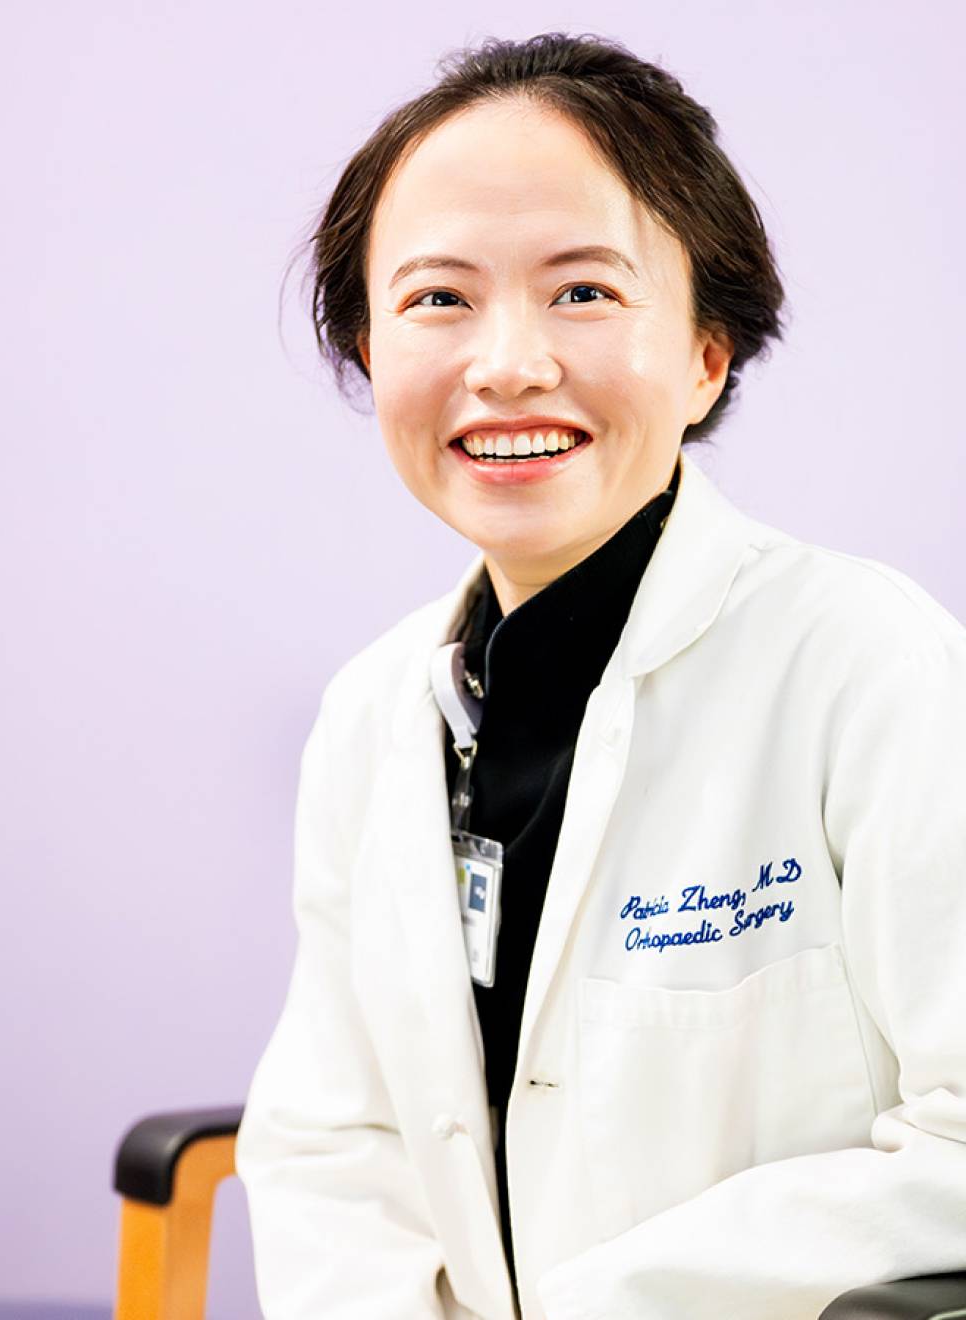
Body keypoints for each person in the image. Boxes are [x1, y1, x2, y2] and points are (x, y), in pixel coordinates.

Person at [234, 31, 966, 1320]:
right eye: (437, 299)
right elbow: (332, 1148)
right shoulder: (375, 714)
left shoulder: (868, 666)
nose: (506, 363)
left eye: (583, 292)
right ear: (367, 351)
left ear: (706, 355)